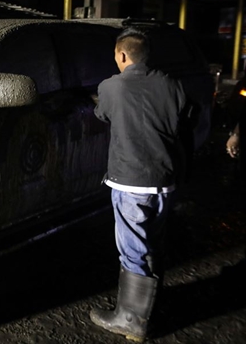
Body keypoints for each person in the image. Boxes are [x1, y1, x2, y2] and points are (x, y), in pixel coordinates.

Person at [90, 28, 187, 342]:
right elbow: (184, 119)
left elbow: (102, 113)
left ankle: (130, 320)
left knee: (132, 251)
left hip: (131, 183)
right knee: (152, 246)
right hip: (164, 183)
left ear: (122, 55)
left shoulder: (111, 87)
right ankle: (148, 309)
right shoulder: (174, 85)